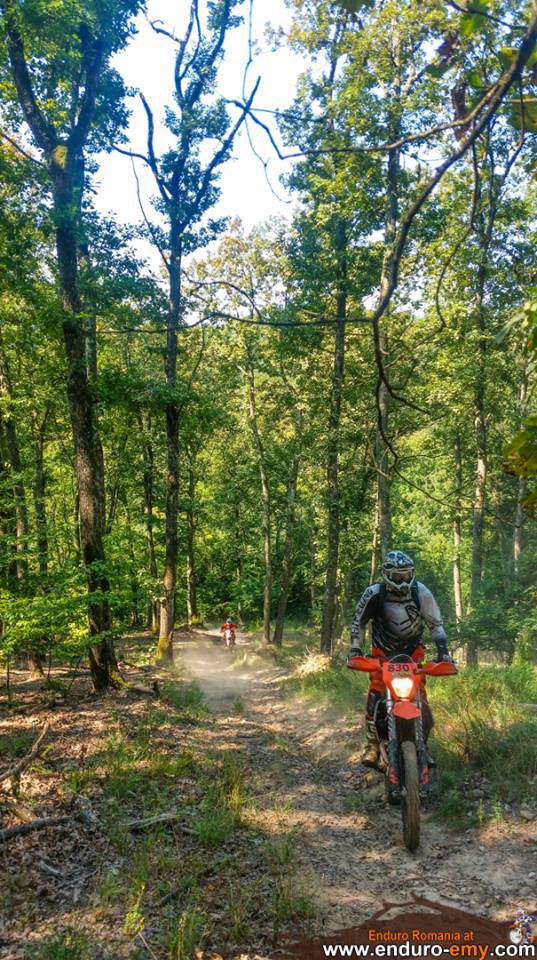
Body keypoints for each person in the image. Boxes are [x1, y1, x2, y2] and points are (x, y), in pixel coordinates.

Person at [348, 550, 453, 768]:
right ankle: (373, 744)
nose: (403, 580)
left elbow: (436, 624)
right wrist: (355, 649)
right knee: (376, 692)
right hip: (382, 655)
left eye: (407, 575)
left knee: (420, 695)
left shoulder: (420, 592)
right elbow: (358, 622)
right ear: (387, 574)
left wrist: (443, 652)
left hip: (413, 654)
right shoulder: (374, 593)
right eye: (398, 576)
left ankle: (422, 746)